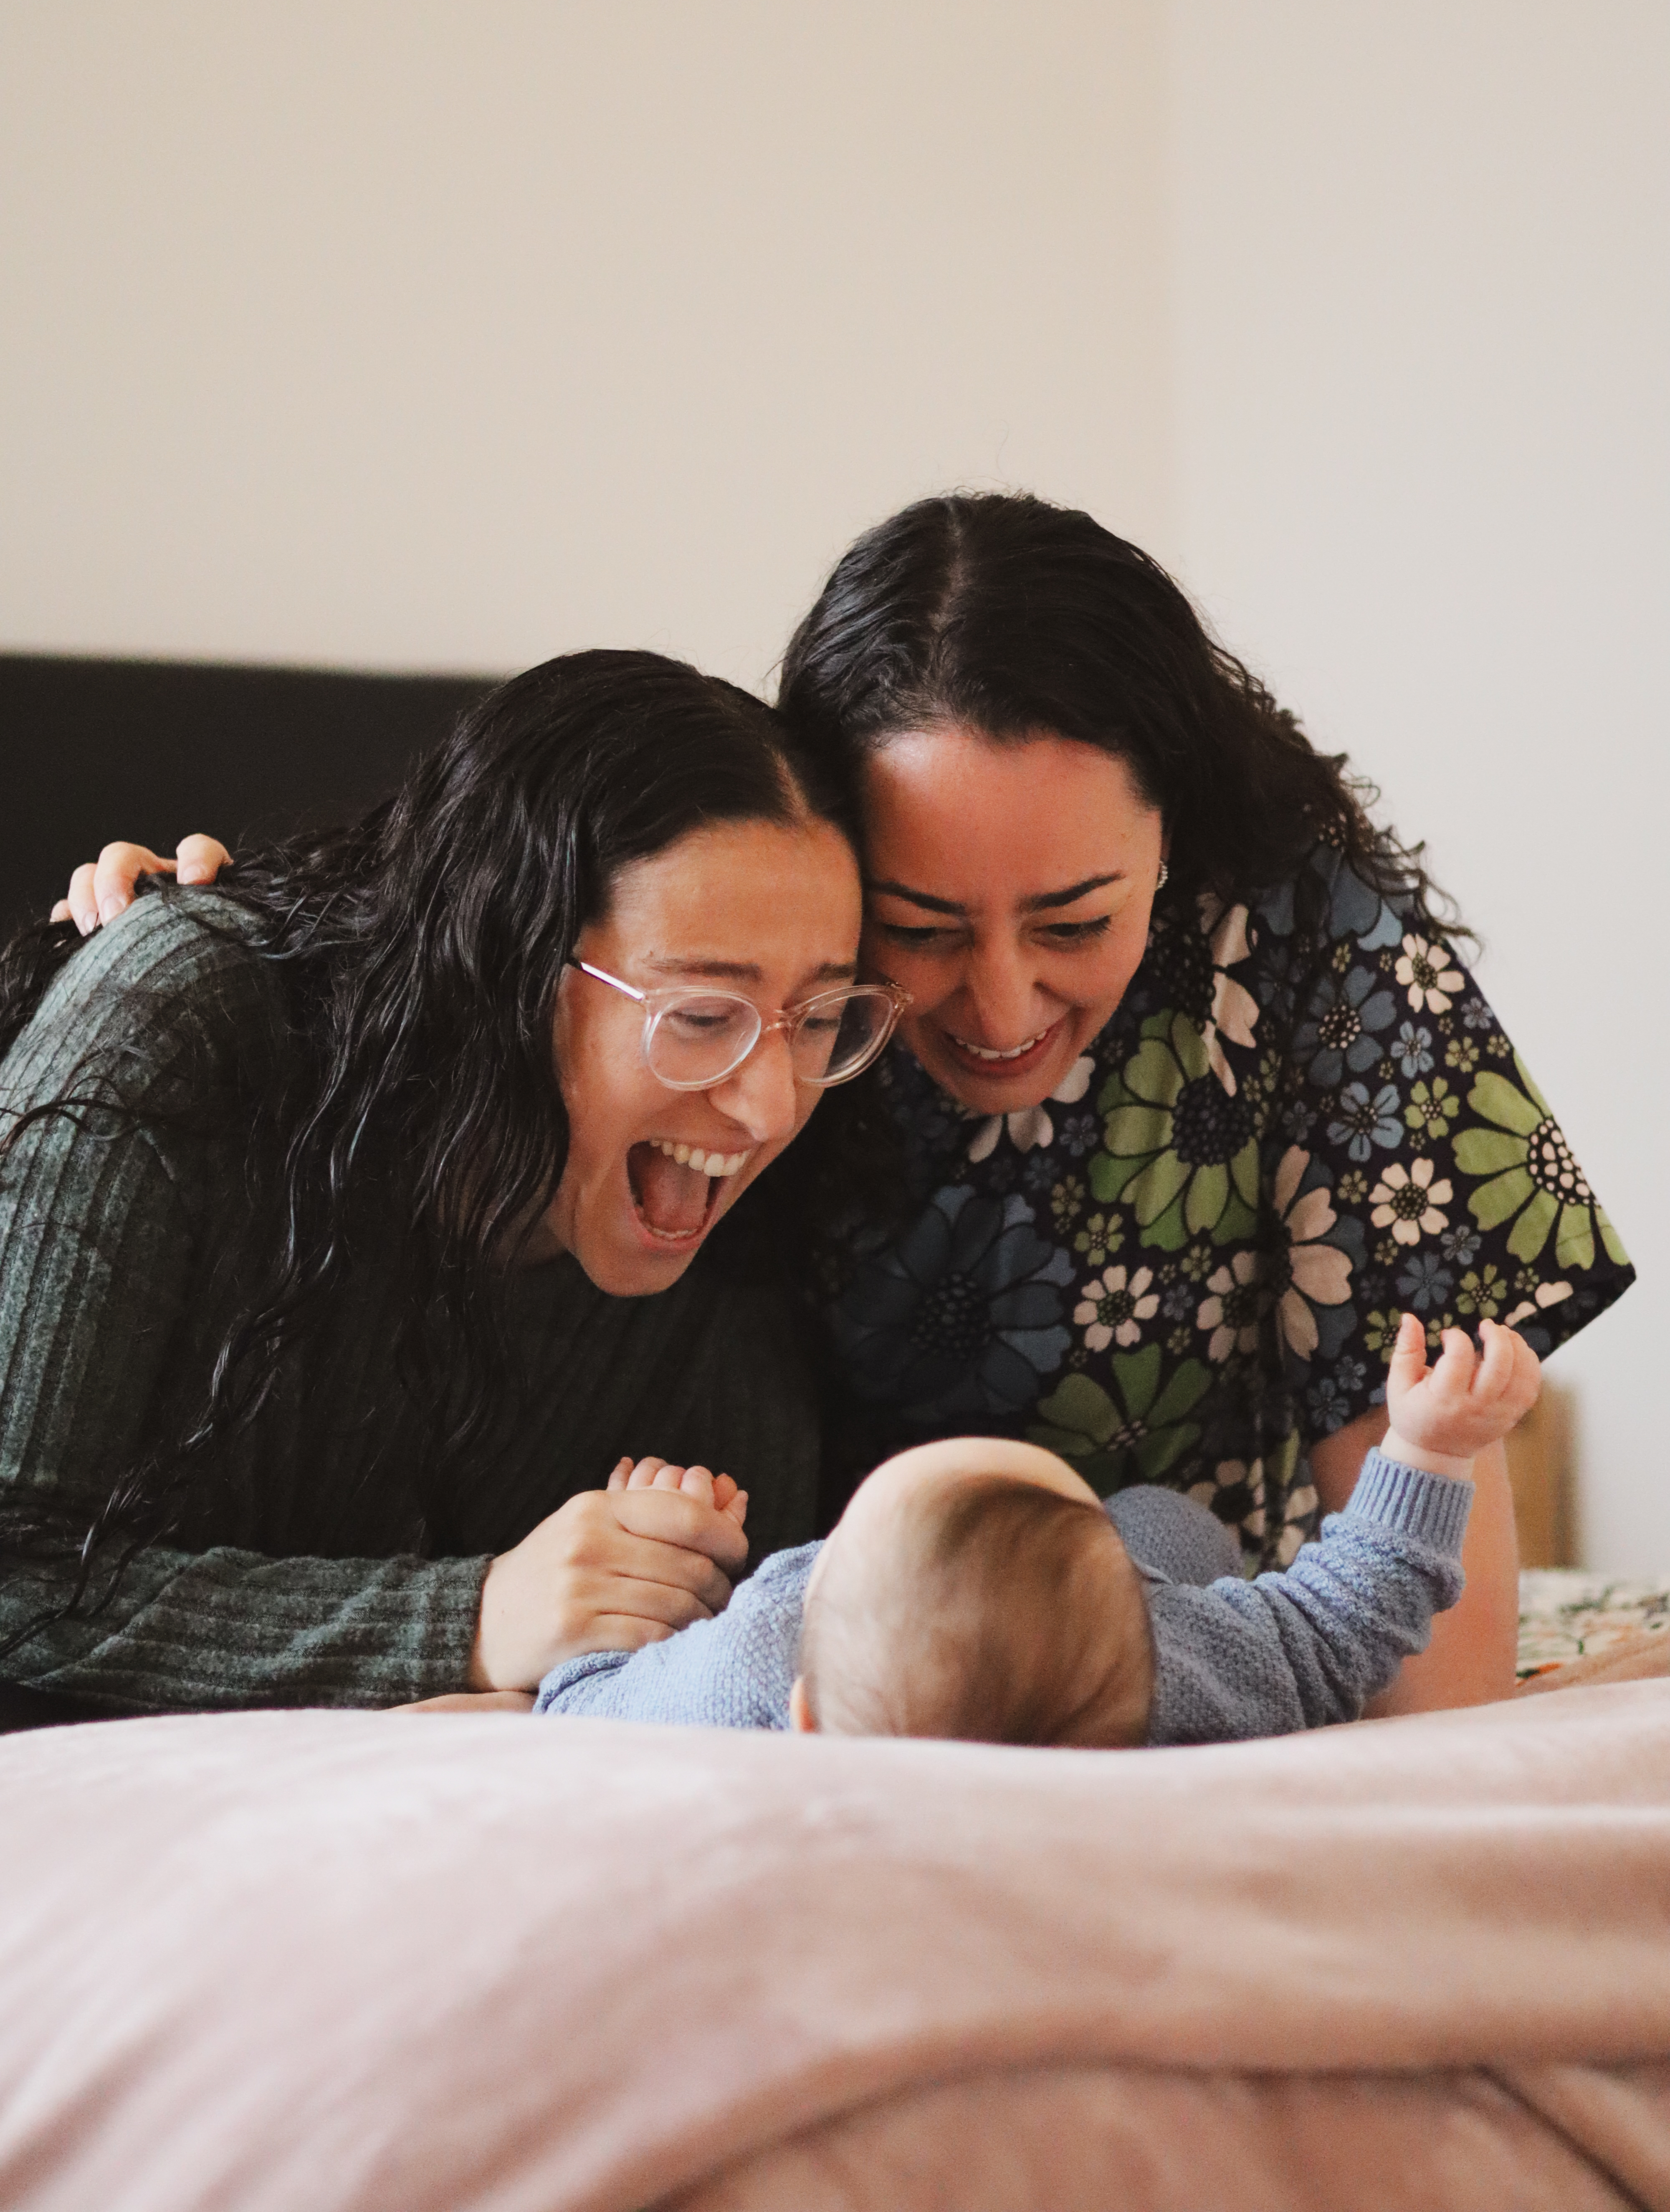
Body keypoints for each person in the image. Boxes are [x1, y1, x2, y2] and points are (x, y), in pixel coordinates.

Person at [59, 493, 1635, 1711]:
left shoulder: (1310, 958)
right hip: (826, 1633)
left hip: (1173, 1633)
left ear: (1175, 842)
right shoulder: (692, 1034)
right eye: (920, 929)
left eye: (1077, 921)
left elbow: (1427, 1560)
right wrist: (232, 953)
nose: (999, 1011)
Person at [0, 651, 908, 1720]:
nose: (770, 1107)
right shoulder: (186, 1019)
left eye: (818, 1019)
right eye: (702, 1017)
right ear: (500, 969)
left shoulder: (741, 1277)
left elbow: (735, 1692)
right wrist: (468, 1624)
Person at [524, 1311, 1533, 1744]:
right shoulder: (1170, 1664)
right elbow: (1343, 1617)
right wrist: (1426, 1450)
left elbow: (578, 1706)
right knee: (1165, 1520)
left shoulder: (751, 1659)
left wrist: (658, 1547)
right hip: (1126, 1580)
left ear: (803, 1720)